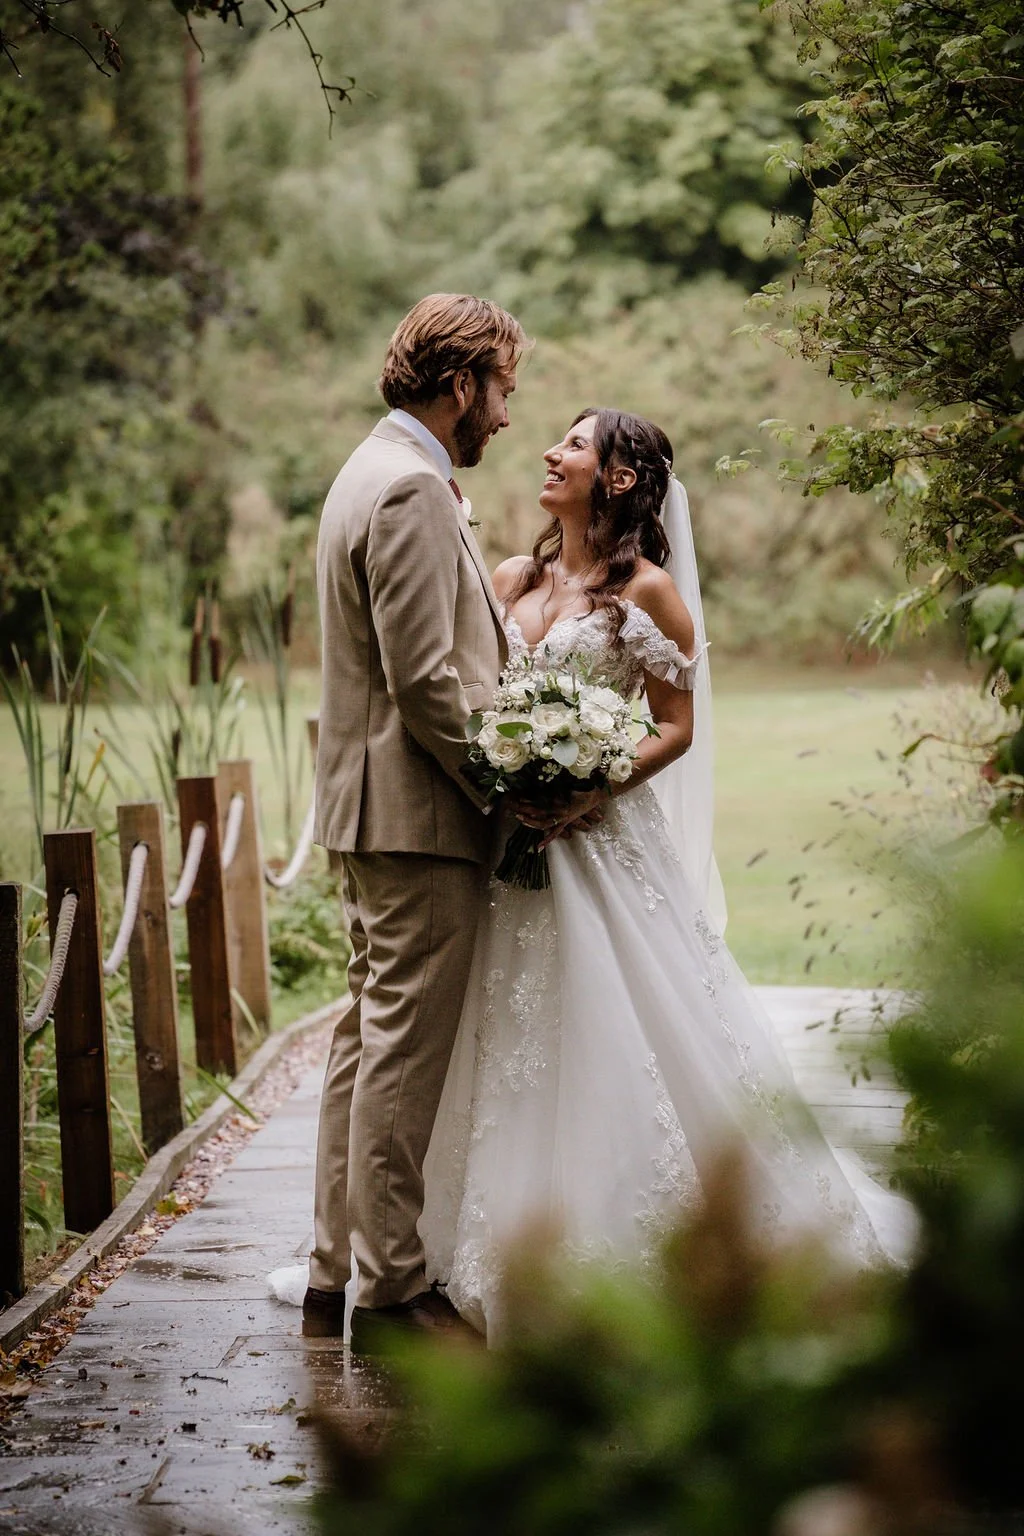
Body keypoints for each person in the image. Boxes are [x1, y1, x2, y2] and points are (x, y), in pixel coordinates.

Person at [417, 408, 917, 1342]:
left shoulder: (649, 592)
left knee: (616, 1017)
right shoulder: (511, 576)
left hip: (601, 836)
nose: (550, 453)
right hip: (506, 838)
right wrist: (512, 768)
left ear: (615, 477)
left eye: (572, 444)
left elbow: (676, 726)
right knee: (507, 1024)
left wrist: (588, 782)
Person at [301, 293, 527, 1353]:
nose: (505, 418)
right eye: (500, 393)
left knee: (362, 1040)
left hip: (373, 809)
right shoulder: (408, 491)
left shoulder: (370, 471)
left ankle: (331, 1266)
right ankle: (391, 1292)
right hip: (416, 814)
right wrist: (504, 784)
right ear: (458, 384)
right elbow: (426, 682)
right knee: (398, 1049)